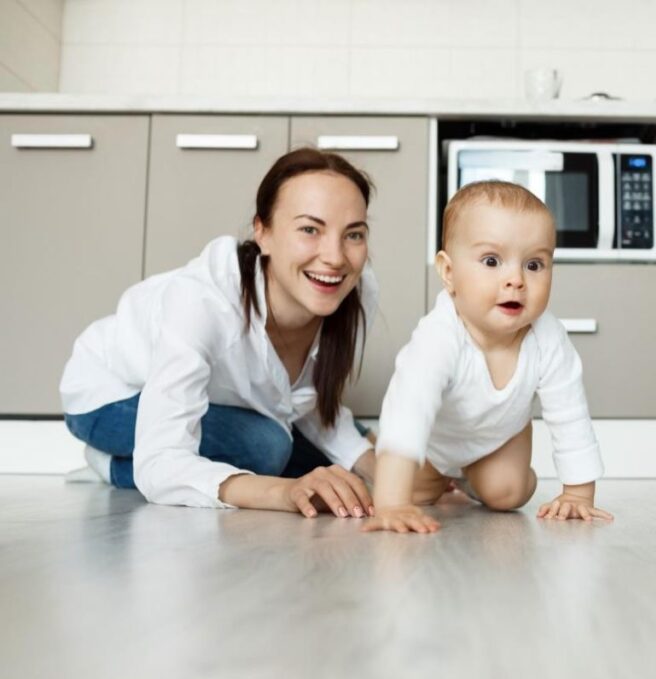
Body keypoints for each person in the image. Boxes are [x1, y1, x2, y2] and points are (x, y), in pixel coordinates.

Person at [61, 148, 378, 518]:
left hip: (227, 402)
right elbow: (162, 460)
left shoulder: (355, 290)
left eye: (353, 234)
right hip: (111, 394)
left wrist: (386, 473)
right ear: (263, 232)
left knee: (335, 460)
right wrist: (285, 492)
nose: (336, 258)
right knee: (268, 447)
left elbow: (302, 402)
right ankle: (109, 464)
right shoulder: (202, 301)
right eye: (310, 229)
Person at [363, 180, 613, 534]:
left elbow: (569, 413)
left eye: (535, 265)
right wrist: (390, 504)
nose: (516, 279)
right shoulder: (439, 336)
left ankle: (472, 480)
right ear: (449, 273)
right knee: (414, 492)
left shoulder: (548, 337)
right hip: (436, 441)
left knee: (508, 494)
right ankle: (420, 466)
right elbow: (409, 409)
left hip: (499, 435)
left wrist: (578, 494)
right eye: (492, 261)